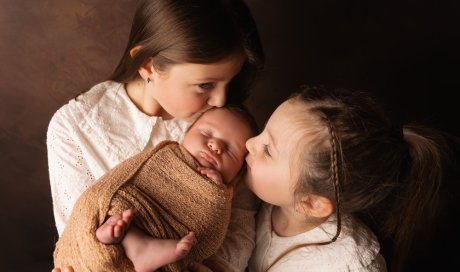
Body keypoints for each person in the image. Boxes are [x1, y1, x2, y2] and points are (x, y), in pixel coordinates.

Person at [47, 0, 264, 271]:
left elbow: (241, 222)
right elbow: (80, 236)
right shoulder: (75, 127)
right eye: (205, 85)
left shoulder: (226, 125)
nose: (220, 100)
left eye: (229, 82)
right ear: (149, 66)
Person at [243, 85, 455, 271]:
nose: (249, 143)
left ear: (312, 203)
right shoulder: (260, 197)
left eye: (268, 150)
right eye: (262, 132)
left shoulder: (350, 267)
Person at [53, 105, 258, 272]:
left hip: (164, 236)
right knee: (119, 205)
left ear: (238, 174)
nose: (215, 146)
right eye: (206, 133)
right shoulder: (166, 153)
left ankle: (130, 244)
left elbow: (212, 233)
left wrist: (216, 194)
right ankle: (118, 239)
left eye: (230, 150)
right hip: (129, 211)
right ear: (186, 133)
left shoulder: (224, 194)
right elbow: (121, 181)